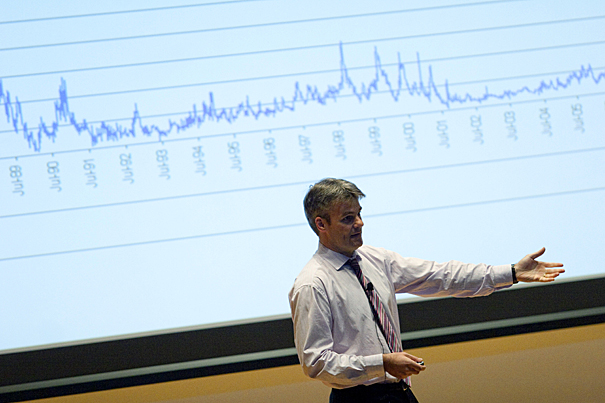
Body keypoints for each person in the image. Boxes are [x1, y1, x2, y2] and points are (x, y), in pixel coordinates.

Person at [288, 178, 564, 403]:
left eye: (359, 214)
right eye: (348, 218)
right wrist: (381, 363)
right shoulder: (313, 283)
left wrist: (511, 272)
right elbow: (316, 362)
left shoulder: (375, 259)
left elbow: (441, 275)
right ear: (321, 225)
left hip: (399, 394)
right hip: (357, 400)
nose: (359, 224)